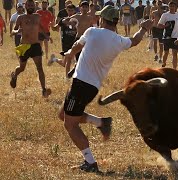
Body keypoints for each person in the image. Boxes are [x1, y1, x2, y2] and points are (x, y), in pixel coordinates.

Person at [58, 5, 153, 172]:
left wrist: (69, 54)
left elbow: (77, 46)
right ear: (115, 21)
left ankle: (90, 163)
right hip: (92, 86)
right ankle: (101, 122)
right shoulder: (119, 41)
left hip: (81, 84)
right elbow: (136, 40)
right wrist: (144, 28)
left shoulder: (92, 32)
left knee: (70, 124)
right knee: (62, 114)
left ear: (103, 19)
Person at [10, 0, 51, 97]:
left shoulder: (37, 16)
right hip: (24, 46)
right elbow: (12, 30)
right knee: (22, 68)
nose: (30, 7)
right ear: (25, 6)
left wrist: (46, 36)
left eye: (32, 5)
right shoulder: (21, 17)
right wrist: (16, 31)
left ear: (34, 6)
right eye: (29, 5)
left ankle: (44, 90)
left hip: (35, 45)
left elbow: (40, 27)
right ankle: (14, 75)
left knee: (40, 68)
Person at [48, 4, 77, 77]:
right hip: (66, 42)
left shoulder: (77, 19)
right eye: (69, 10)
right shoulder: (63, 20)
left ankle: (54, 59)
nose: (70, 12)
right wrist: (51, 26)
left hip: (75, 42)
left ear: (74, 11)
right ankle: (67, 78)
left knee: (66, 62)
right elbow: (55, 28)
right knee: (67, 62)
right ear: (66, 10)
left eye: (72, 10)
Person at [66, 0, 93, 78]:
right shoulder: (77, 16)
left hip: (87, 40)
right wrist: (68, 23)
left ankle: (77, 70)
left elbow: (94, 27)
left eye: (86, 7)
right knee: (78, 57)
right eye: (83, 7)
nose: (84, 9)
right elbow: (67, 20)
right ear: (80, 8)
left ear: (88, 8)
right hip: (78, 38)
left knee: (86, 58)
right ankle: (76, 72)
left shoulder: (90, 18)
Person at [158, 1, 178, 69]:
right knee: (166, 52)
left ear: (175, 7)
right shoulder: (165, 15)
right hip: (167, 37)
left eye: (173, 6)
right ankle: (164, 64)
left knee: (175, 53)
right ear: (168, 7)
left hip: (175, 37)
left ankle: (174, 69)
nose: (172, 8)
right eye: (170, 6)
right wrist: (165, 26)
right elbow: (159, 25)